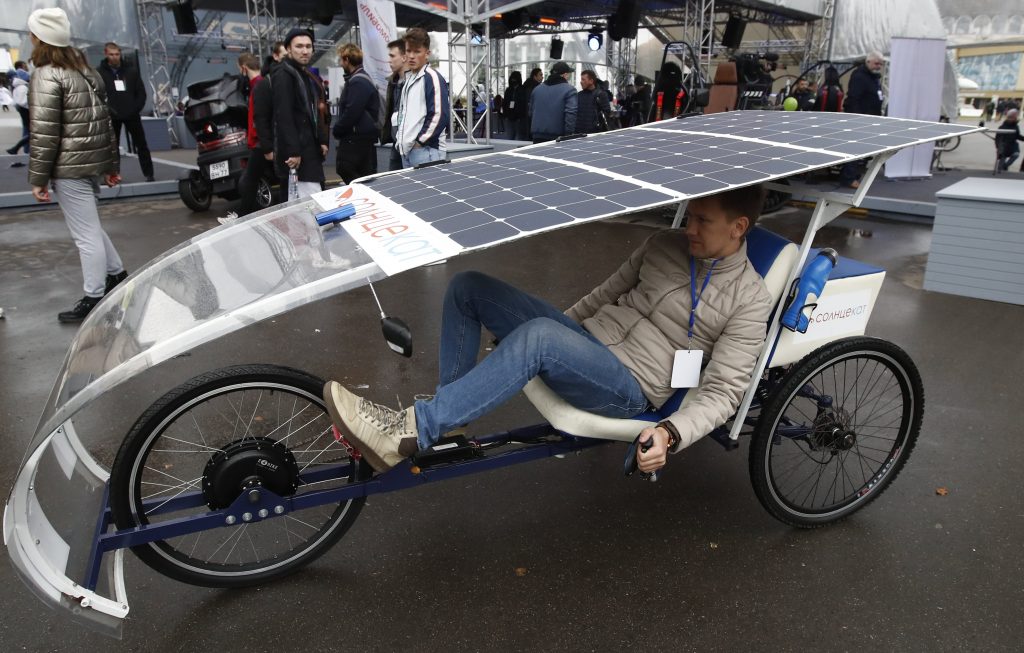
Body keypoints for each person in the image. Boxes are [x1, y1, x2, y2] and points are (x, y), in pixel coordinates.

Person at [323, 186, 774, 475]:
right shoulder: (664, 245)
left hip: (630, 388)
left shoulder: (749, 299)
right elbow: (601, 297)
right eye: (689, 215)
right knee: (469, 286)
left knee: (540, 336)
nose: (688, 228)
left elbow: (724, 392)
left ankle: (410, 431)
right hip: (589, 347)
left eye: (702, 221)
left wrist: (671, 433)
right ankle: (447, 418)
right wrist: (537, 339)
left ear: (738, 228)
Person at [25, 8, 128, 323]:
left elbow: (44, 133)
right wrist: (110, 165)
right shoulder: (86, 71)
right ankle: (117, 275)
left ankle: (94, 296)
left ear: (38, 38)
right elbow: (105, 123)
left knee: (85, 235)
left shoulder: (46, 74)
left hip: (68, 167)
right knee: (90, 228)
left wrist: (38, 179)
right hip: (92, 163)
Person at [271, 28, 329, 199]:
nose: (305, 51)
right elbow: (284, 116)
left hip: (308, 149)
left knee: (309, 202)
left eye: (308, 46)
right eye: (299, 46)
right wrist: (294, 151)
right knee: (311, 204)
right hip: (299, 155)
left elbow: (311, 112)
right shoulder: (284, 74)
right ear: (288, 49)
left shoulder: (302, 73)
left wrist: (321, 140)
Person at [97, 42, 154, 182]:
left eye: (117, 54)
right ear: (106, 54)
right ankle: (114, 175)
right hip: (112, 115)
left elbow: (141, 93)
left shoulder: (131, 71)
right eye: (111, 54)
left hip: (132, 114)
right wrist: (107, 110)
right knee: (112, 147)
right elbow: (97, 94)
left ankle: (149, 173)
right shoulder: (99, 73)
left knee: (141, 145)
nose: (115, 57)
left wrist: (135, 109)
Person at [395, 28, 450, 169]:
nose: (411, 56)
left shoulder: (432, 78)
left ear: (427, 54)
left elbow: (439, 115)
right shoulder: (409, 78)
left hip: (426, 151)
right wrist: (401, 142)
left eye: (417, 51)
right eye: (408, 51)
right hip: (409, 151)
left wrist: (419, 142)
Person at [333, 44, 380, 184]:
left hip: (356, 139)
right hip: (361, 137)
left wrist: (337, 129)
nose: (340, 64)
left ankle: (362, 193)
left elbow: (352, 111)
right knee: (363, 175)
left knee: (345, 167)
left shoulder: (358, 82)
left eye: (341, 60)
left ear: (347, 60)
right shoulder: (361, 79)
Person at [839, 52, 884, 188]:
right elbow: (854, 98)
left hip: (870, 118)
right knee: (854, 148)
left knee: (862, 150)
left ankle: (855, 175)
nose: (878, 66)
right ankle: (848, 178)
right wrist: (858, 119)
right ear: (868, 62)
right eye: (876, 63)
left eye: (880, 64)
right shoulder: (859, 76)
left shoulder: (873, 77)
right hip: (859, 119)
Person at [235, 52, 271, 216]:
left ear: (243, 68)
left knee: (248, 181)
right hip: (261, 140)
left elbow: (259, 117)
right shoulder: (261, 84)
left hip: (260, 141)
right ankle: (243, 215)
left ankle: (242, 217)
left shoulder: (258, 86)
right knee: (250, 180)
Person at [528, 61, 577, 143]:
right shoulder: (570, 90)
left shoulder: (537, 89)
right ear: (565, 75)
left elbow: (531, 113)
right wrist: (569, 135)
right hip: (558, 138)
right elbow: (571, 115)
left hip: (537, 137)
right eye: (569, 74)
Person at [380, 38, 407, 171]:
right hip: (396, 143)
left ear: (403, 57)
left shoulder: (415, 81)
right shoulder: (393, 82)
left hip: (409, 144)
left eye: (392, 56)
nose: (389, 60)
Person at [576, 69, 611, 133]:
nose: (581, 82)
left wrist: (596, 125)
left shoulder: (601, 94)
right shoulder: (579, 95)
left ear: (591, 81)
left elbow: (607, 113)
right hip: (579, 132)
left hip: (595, 133)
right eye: (581, 79)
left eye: (583, 80)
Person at [7, 64, 31, 156]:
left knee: (29, 132)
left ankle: (21, 149)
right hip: (26, 112)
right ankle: (21, 149)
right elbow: (22, 102)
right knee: (31, 133)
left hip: (24, 112)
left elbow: (16, 102)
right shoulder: (22, 87)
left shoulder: (17, 86)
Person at [514, 68, 542, 141]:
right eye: (540, 75)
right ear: (535, 76)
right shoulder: (536, 88)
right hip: (531, 118)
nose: (542, 77)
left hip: (522, 117)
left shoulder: (525, 86)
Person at [502, 71, 523, 141]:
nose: (513, 80)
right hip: (510, 116)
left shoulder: (521, 90)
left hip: (518, 117)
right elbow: (505, 103)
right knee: (511, 137)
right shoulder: (509, 90)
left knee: (516, 137)